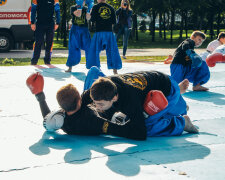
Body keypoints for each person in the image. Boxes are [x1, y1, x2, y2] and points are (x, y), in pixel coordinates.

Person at [82, 66, 198, 137]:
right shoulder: (99, 88)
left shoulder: (130, 101)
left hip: (167, 91)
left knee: (147, 126)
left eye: (100, 104)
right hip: (154, 81)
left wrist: (107, 128)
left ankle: (182, 123)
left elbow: (139, 133)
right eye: (95, 102)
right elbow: (80, 101)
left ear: (114, 97)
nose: (97, 107)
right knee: (93, 72)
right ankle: (179, 106)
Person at [87, 0, 122, 75]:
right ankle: (115, 70)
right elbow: (114, 22)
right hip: (109, 33)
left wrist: (90, 12)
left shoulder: (95, 7)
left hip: (99, 32)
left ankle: (95, 69)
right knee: (113, 51)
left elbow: (92, 20)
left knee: (94, 52)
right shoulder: (111, 8)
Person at [30, 0, 60, 65]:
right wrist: (32, 22)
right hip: (39, 23)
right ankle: (34, 61)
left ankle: (47, 60)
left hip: (50, 23)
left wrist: (58, 22)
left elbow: (57, 10)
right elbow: (33, 10)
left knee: (49, 42)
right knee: (38, 41)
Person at [65, 1, 91, 72]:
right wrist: (79, 6)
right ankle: (70, 67)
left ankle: (91, 66)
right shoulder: (73, 7)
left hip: (84, 29)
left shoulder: (87, 8)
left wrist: (89, 9)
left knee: (89, 48)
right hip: (75, 29)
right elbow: (78, 14)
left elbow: (88, 18)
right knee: (73, 47)